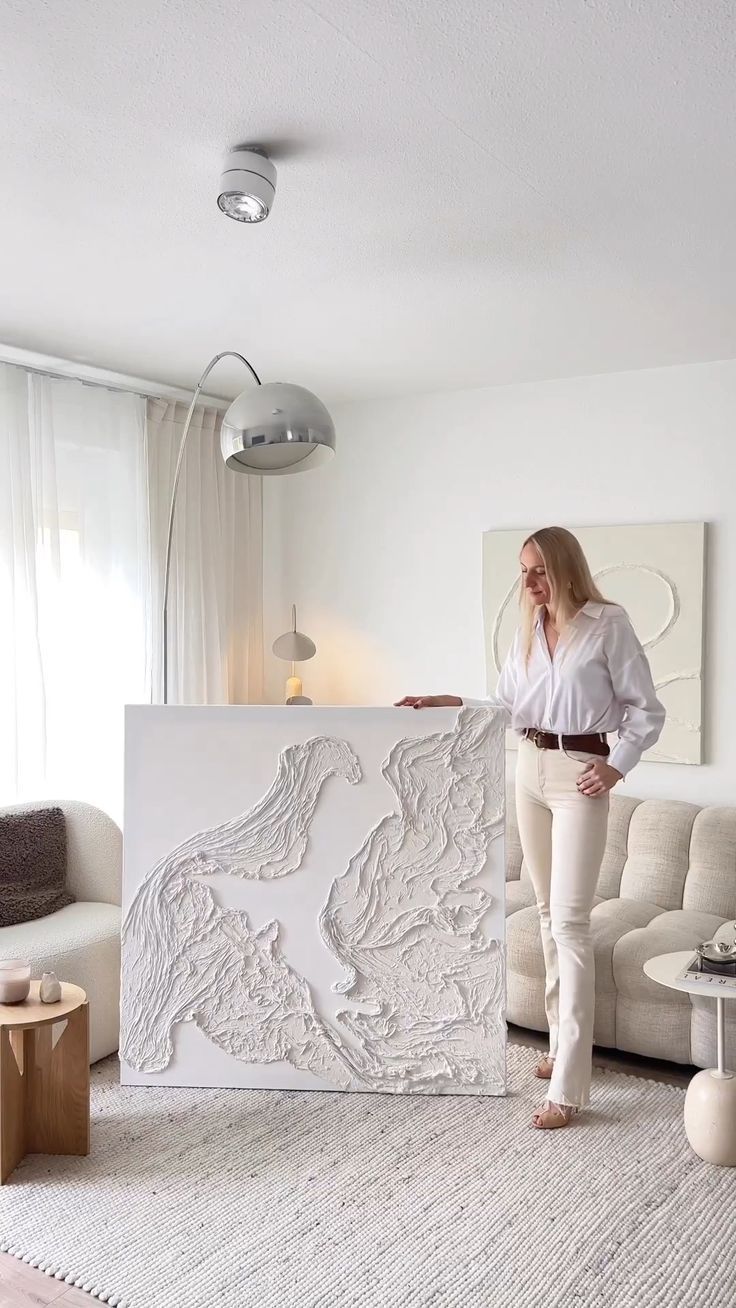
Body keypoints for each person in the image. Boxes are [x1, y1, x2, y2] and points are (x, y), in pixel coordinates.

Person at [395, 525, 665, 1130]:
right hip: (528, 770)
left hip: (579, 775)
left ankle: (570, 1085)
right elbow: (510, 710)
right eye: (523, 571)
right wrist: (450, 701)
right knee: (545, 914)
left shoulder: (607, 624)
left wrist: (616, 767)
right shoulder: (529, 632)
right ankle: (555, 1048)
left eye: (538, 570)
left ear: (565, 568)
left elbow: (648, 709)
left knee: (569, 923)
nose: (529, 582)